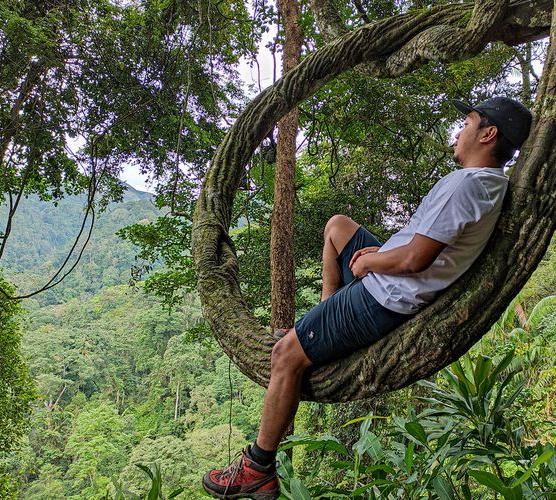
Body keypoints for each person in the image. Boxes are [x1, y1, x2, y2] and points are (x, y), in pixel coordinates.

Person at [202, 96, 533, 500]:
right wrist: (374, 258)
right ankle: (324, 318)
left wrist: (371, 264)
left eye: (467, 122)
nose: (459, 130)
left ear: (488, 133)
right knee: (338, 226)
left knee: (285, 355)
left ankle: (258, 469)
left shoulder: (468, 184)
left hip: (385, 296)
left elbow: (415, 258)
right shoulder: (488, 183)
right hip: (388, 282)